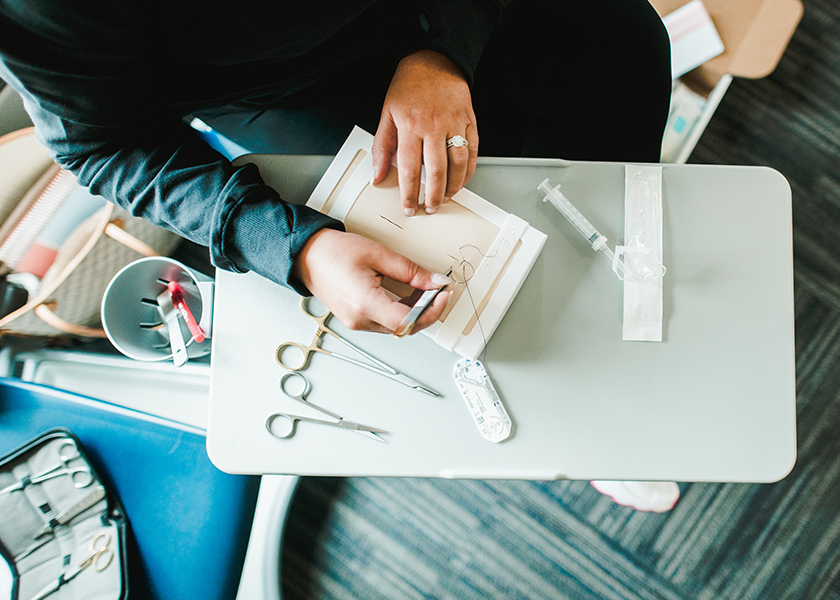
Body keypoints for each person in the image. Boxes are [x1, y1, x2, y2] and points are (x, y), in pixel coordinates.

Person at [0, 0, 678, 510]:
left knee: (620, 64)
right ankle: (586, 408)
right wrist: (296, 247)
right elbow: (102, 143)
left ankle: (628, 317)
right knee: (442, 274)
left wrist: (442, 48)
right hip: (283, 85)